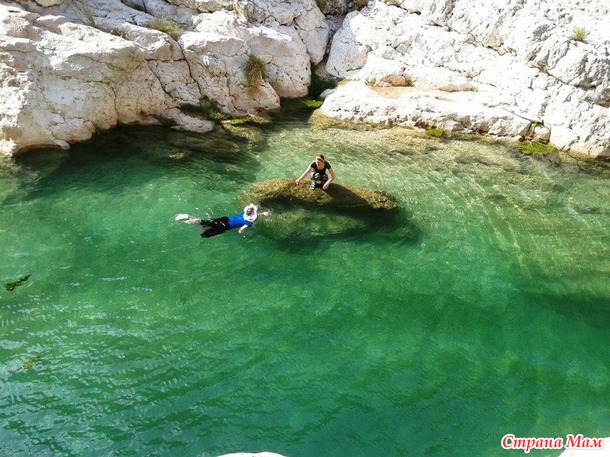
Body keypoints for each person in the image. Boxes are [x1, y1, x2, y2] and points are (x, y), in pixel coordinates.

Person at [175, 204, 268, 238]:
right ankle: (198, 224)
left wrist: (263, 214)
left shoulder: (244, 215)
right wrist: (247, 233)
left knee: (206, 222)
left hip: (224, 219)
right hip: (224, 227)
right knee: (204, 235)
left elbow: (254, 214)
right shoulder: (248, 223)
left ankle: (191, 218)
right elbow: (240, 231)